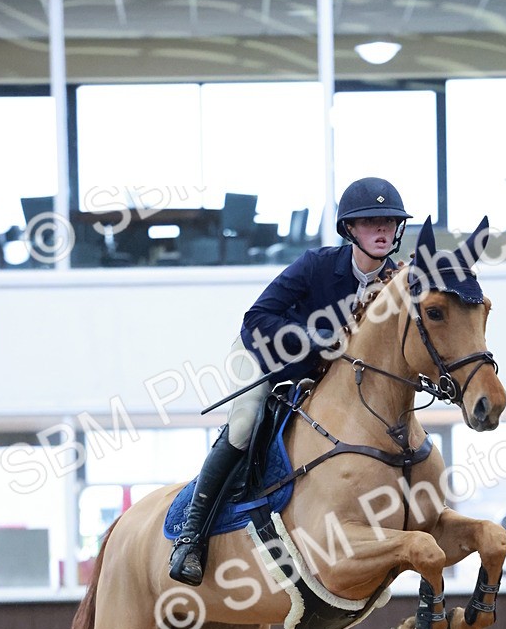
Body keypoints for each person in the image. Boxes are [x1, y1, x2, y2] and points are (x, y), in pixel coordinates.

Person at [169, 176, 412, 586]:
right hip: (266, 356)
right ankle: (192, 537)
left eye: (388, 222)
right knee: (245, 424)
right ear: (350, 230)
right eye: (370, 222)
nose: (382, 230)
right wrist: (317, 342)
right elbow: (256, 320)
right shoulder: (316, 265)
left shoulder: (398, 280)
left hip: (331, 378)